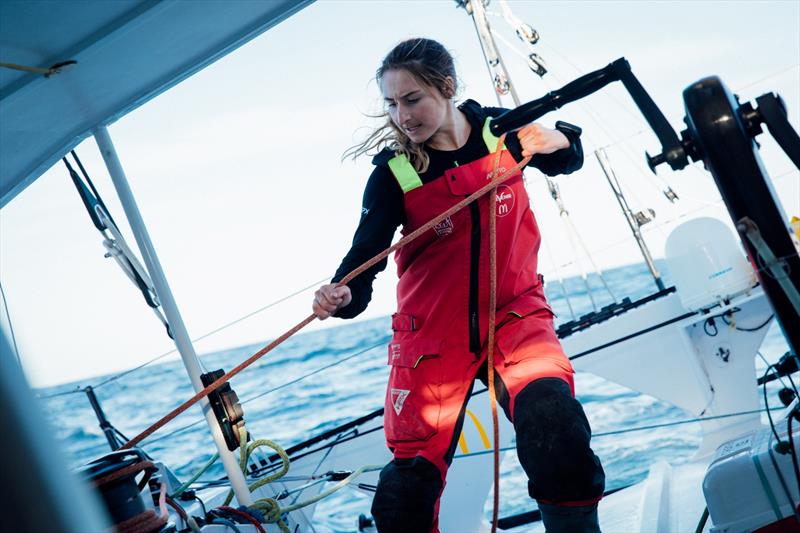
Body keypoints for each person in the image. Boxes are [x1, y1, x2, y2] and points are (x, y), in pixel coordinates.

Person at [312, 38, 605, 533]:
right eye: (391, 104)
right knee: (402, 500)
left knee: (555, 428)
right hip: (431, 338)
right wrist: (340, 295)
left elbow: (565, 158)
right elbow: (363, 262)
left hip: (517, 316)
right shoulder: (394, 174)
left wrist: (558, 140)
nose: (402, 116)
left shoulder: (501, 131)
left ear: (445, 88)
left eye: (412, 100)